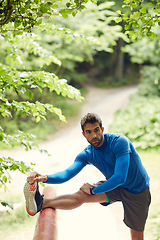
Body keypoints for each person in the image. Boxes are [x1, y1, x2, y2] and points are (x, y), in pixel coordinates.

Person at [24, 113, 151, 240]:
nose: (94, 136)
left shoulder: (119, 142)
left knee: (137, 238)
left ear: (102, 129)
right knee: (82, 195)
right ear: (83, 134)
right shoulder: (87, 154)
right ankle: (41, 203)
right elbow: (66, 174)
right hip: (115, 186)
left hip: (137, 191)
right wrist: (45, 177)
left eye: (96, 130)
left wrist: (93, 190)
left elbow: (120, 177)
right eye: (89, 132)